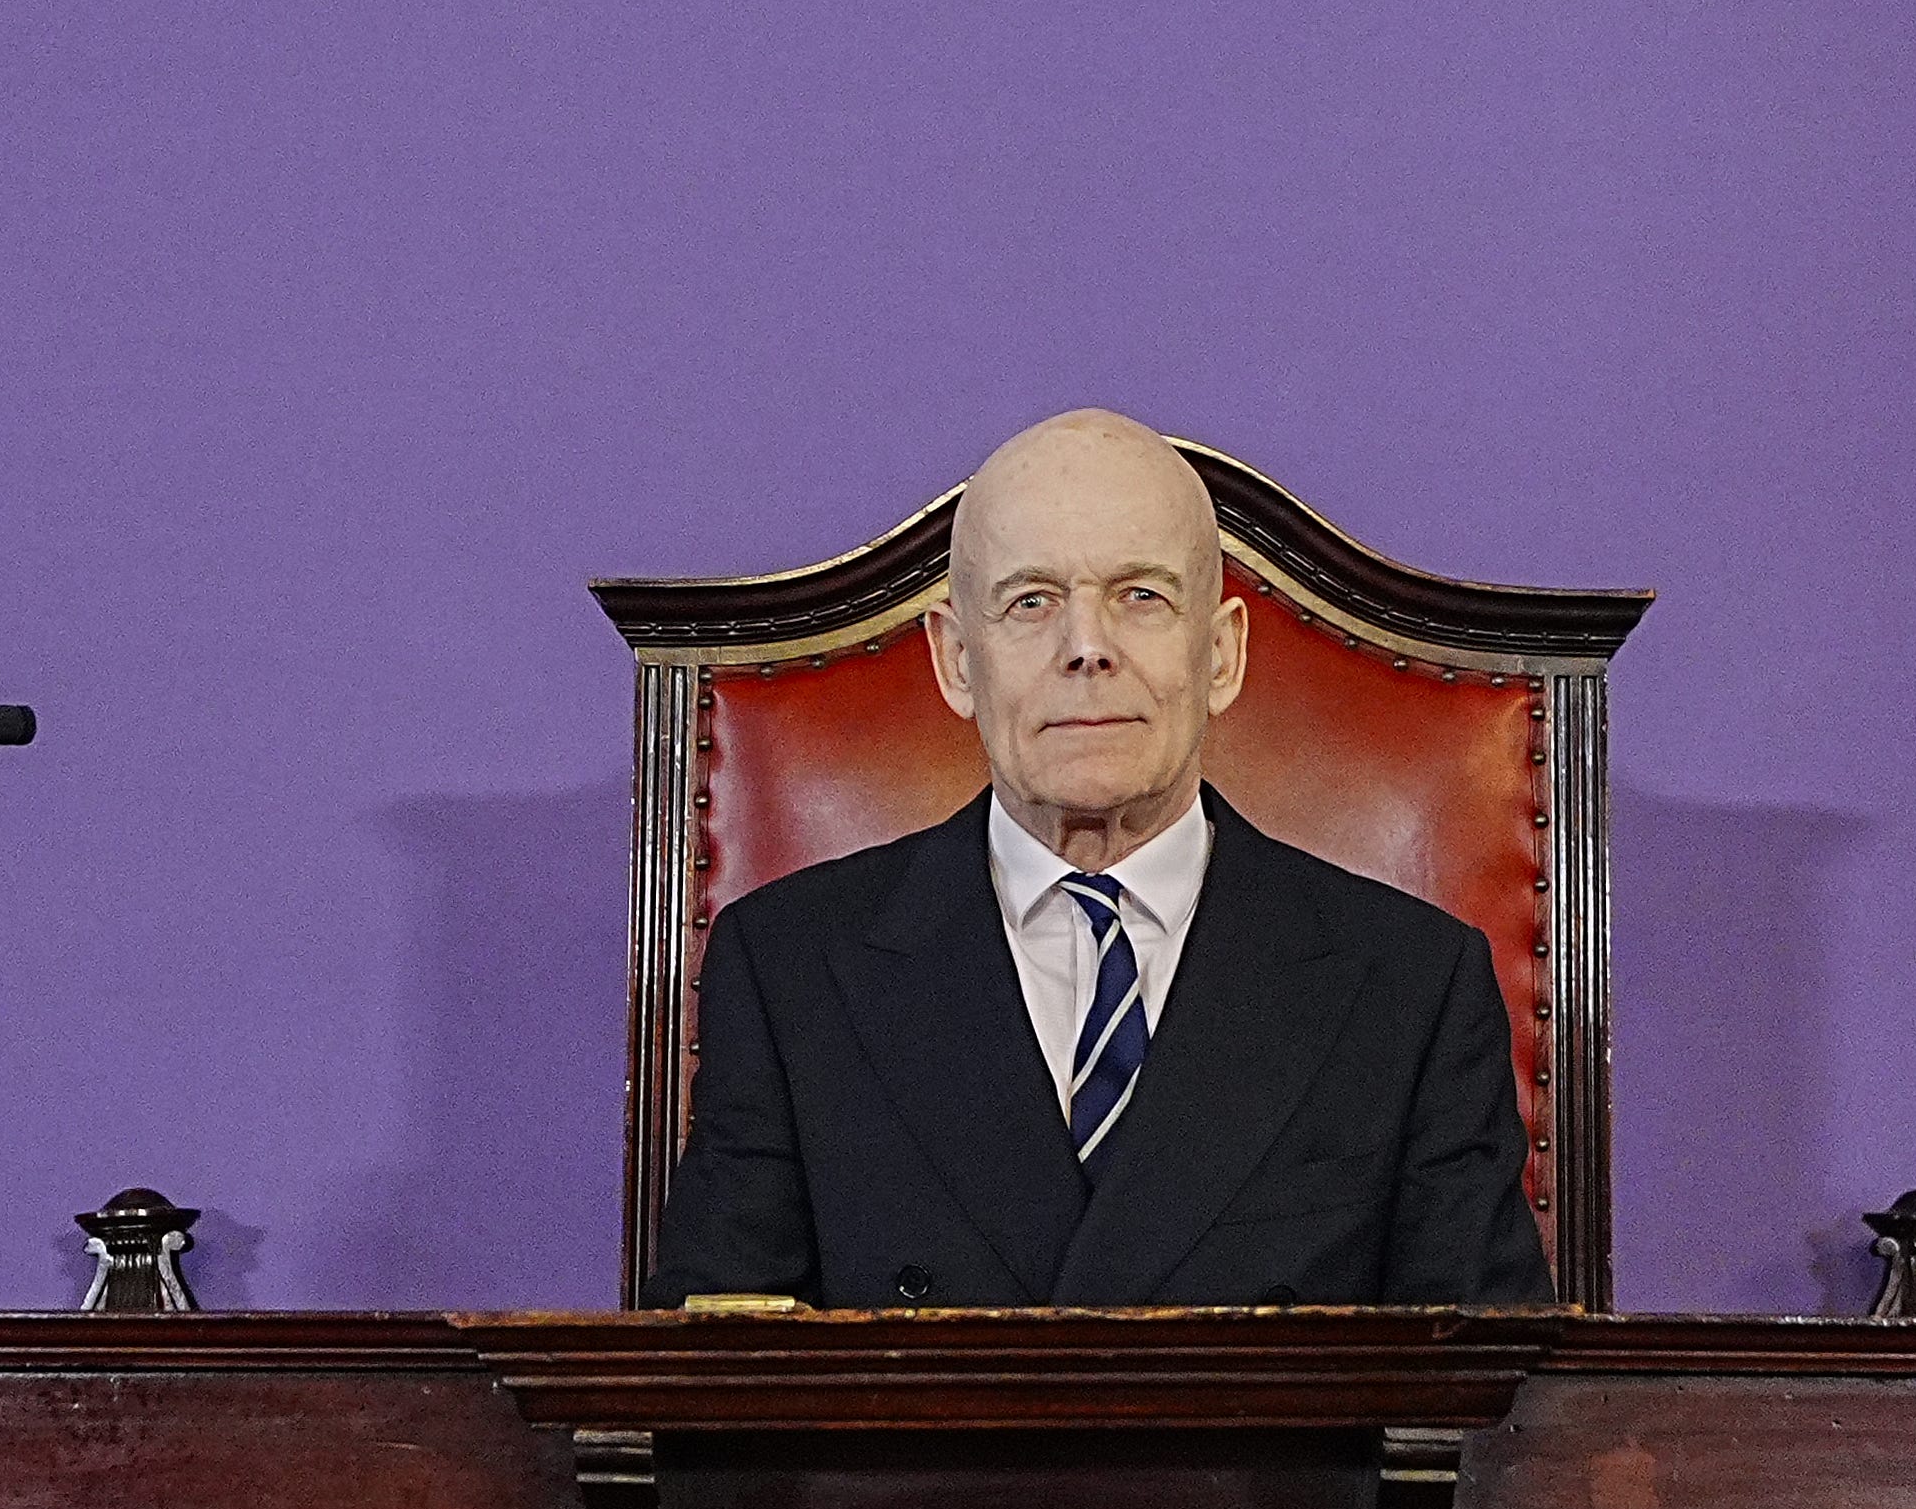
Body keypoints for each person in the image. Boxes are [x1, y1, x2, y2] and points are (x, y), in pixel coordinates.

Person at [651, 410, 1554, 1309]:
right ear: (958, 660)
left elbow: (1489, 1410)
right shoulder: (788, 969)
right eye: (1031, 601)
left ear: (1222, 654)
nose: (1087, 647)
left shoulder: (1412, 987)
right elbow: (708, 1387)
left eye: (1142, 597)